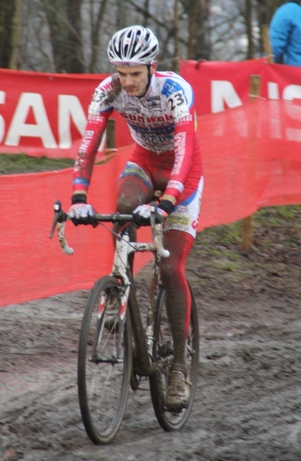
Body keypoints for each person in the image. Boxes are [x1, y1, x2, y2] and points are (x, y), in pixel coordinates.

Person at [68, 25, 204, 412]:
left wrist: (167, 203)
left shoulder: (175, 91)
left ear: (151, 67)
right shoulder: (107, 90)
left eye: (135, 73)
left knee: (171, 265)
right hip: (144, 162)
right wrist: (79, 196)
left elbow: (184, 154)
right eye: (121, 72)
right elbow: (88, 145)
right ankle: (120, 290)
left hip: (184, 173)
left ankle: (179, 367)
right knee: (124, 204)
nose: (126, 81)